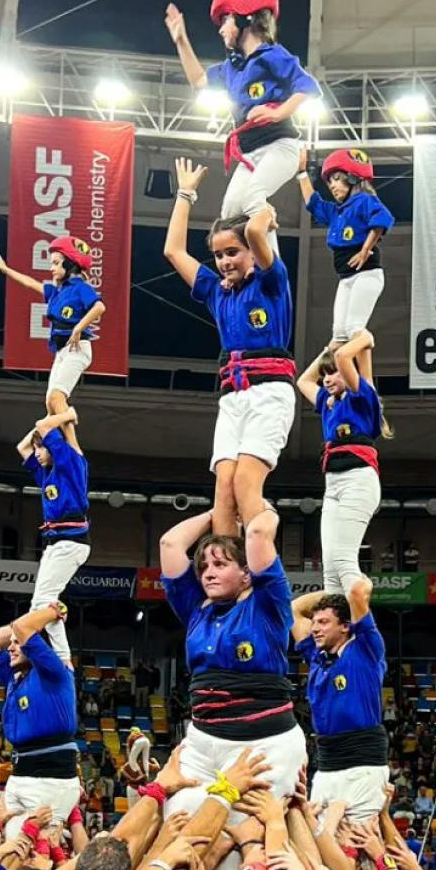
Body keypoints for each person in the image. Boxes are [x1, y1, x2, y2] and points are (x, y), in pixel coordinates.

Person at [156, 507, 306, 857]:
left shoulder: (268, 605)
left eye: (220, 564)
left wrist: (261, 508)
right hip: (202, 742)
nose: (208, 572)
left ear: (246, 575)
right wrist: (215, 511)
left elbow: (257, 536)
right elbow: (170, 544)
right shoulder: (196, 609)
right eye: (205, 566)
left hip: (264, 742)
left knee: (247, 843)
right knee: (183, 832)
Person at [161, 158, 295, 537]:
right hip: (232, 397)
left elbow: (255, 228)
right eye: (218, 255)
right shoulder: (215, 293)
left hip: (268, 394)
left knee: (244, 485)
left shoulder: (271, 283)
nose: (224, 261)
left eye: (233, 252)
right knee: (222, 491)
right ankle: (229, 576)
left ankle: (261, 574)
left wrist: (263, 211)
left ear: (253, 252)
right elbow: (174, 251)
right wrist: (185, 194)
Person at [164, 0, 321, 241]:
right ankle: (256, 274)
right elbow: (199, 81)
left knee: (253, 198)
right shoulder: (231, 68)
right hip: (249, 155)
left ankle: (273, 276)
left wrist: (276, 113)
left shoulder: (272, 54)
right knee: (229, 215)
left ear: (245, 18)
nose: (221, 29)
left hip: (280, 147)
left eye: (225, 19)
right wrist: (181, 40)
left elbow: (309, 87)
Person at [295, 328, 390, 595]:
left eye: (333, 372)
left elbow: (348, 358)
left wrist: (363, 340)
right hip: (333, 485)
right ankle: (336, 630)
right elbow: (303, 381)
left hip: (358, 481)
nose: (326, 380)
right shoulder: (328, 402)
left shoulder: (362, 396)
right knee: (330, 569)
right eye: (324, 374)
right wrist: (328, 350)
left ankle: (363, 630)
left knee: (345, 561)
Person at [0, 603, 78, 840]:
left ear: (35, 648)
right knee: (7, 847)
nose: (9, 648)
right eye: (10, 642)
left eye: (16, 643)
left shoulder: (52, 672)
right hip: (21, 774)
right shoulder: (16, 676)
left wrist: (52, 612)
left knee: (33, 851)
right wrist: (18, 628)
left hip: (49, 779)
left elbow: (24, 627)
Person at [291, 577, 387, 825]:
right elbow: (294, 609)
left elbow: (357, 591)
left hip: (362, 765)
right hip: (326, 765)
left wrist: (339, 589)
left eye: (323, 622)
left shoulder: (365, 650)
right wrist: (329, 595)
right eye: (314, 622)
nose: (315, 628)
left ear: (345, 627)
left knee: (357, 845)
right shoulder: (316, 655)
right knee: (320, 846)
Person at [0, 237, 105, 414]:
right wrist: (6, 270)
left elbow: (99, 307)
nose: (51, 268)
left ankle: (71, 440)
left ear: (69, 264)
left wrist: (78, 329)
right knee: (50, 404)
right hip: (62, 351)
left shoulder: (80, 288)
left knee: (56, 398)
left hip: (77, 348)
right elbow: (29, 283)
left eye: (55, 263)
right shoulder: (57, 292)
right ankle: (59, 440)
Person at [295, 147, 393, 343]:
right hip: (346, 277)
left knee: (354, 327)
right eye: (330, 182)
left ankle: (364, 373)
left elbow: (381, 219)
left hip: (366, 273)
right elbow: (313, 203)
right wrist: (301, 173)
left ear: (353, 177)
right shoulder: (337, 212)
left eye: (337, 179)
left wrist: (365, 251)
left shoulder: (364, 200)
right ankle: (322, 373)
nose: (332, 186)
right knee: (339, 333)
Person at [17, 408, 90, 659]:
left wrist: (66, 415)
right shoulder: (45, 474)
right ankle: (41, 652)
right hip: (55, 543)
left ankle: (61, 657)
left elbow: (43, 424)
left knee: (44, 600)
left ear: (53, 448)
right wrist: (38, 436)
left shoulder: (68, 464)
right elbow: (22, 447)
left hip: (70, 542)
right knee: (37, 604)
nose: (37, 453)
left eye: (42, 448)